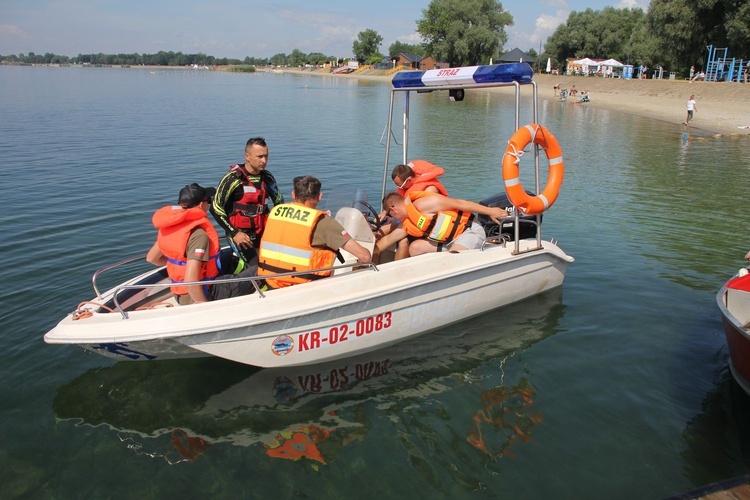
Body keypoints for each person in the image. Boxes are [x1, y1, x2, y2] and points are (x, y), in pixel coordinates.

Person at [146, 183, 259, 305]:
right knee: (260, 271)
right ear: (201, 204)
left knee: (230, 256)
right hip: (202, 293)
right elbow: (191, 281)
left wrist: (182, 266)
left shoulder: (170, 227)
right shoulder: (199, 235)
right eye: (208, 201)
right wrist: (203, 306)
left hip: (179, 292)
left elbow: (152, 258)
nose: (209, 204)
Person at [257, 175, 371, 289]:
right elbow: (365, 256)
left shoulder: (275, 212)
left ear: (293, 194)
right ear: (320, 196)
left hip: (271, 282)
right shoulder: (323, 222)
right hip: (305, 288)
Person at [211, 137, 284, 264]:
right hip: (240, 235)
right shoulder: (232, 178)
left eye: (266, 156)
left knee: (275, 263)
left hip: (263, 231)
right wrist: (234, 233)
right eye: (260, 156)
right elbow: (215, 208)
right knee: (256, 267)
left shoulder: (267, 177)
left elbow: (279, 202)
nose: (264, 160)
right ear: (247, 156)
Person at [375, 191, 508, 259]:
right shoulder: (407, 223)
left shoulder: (425, 204)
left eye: (390, 215)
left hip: (469, 231)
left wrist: (491, 211)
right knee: (415, 248)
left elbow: (460, 203)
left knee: (453, 257)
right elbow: (388, 240)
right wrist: (368, 253)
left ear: (393, 209)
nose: (392, 218)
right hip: (448, 241)